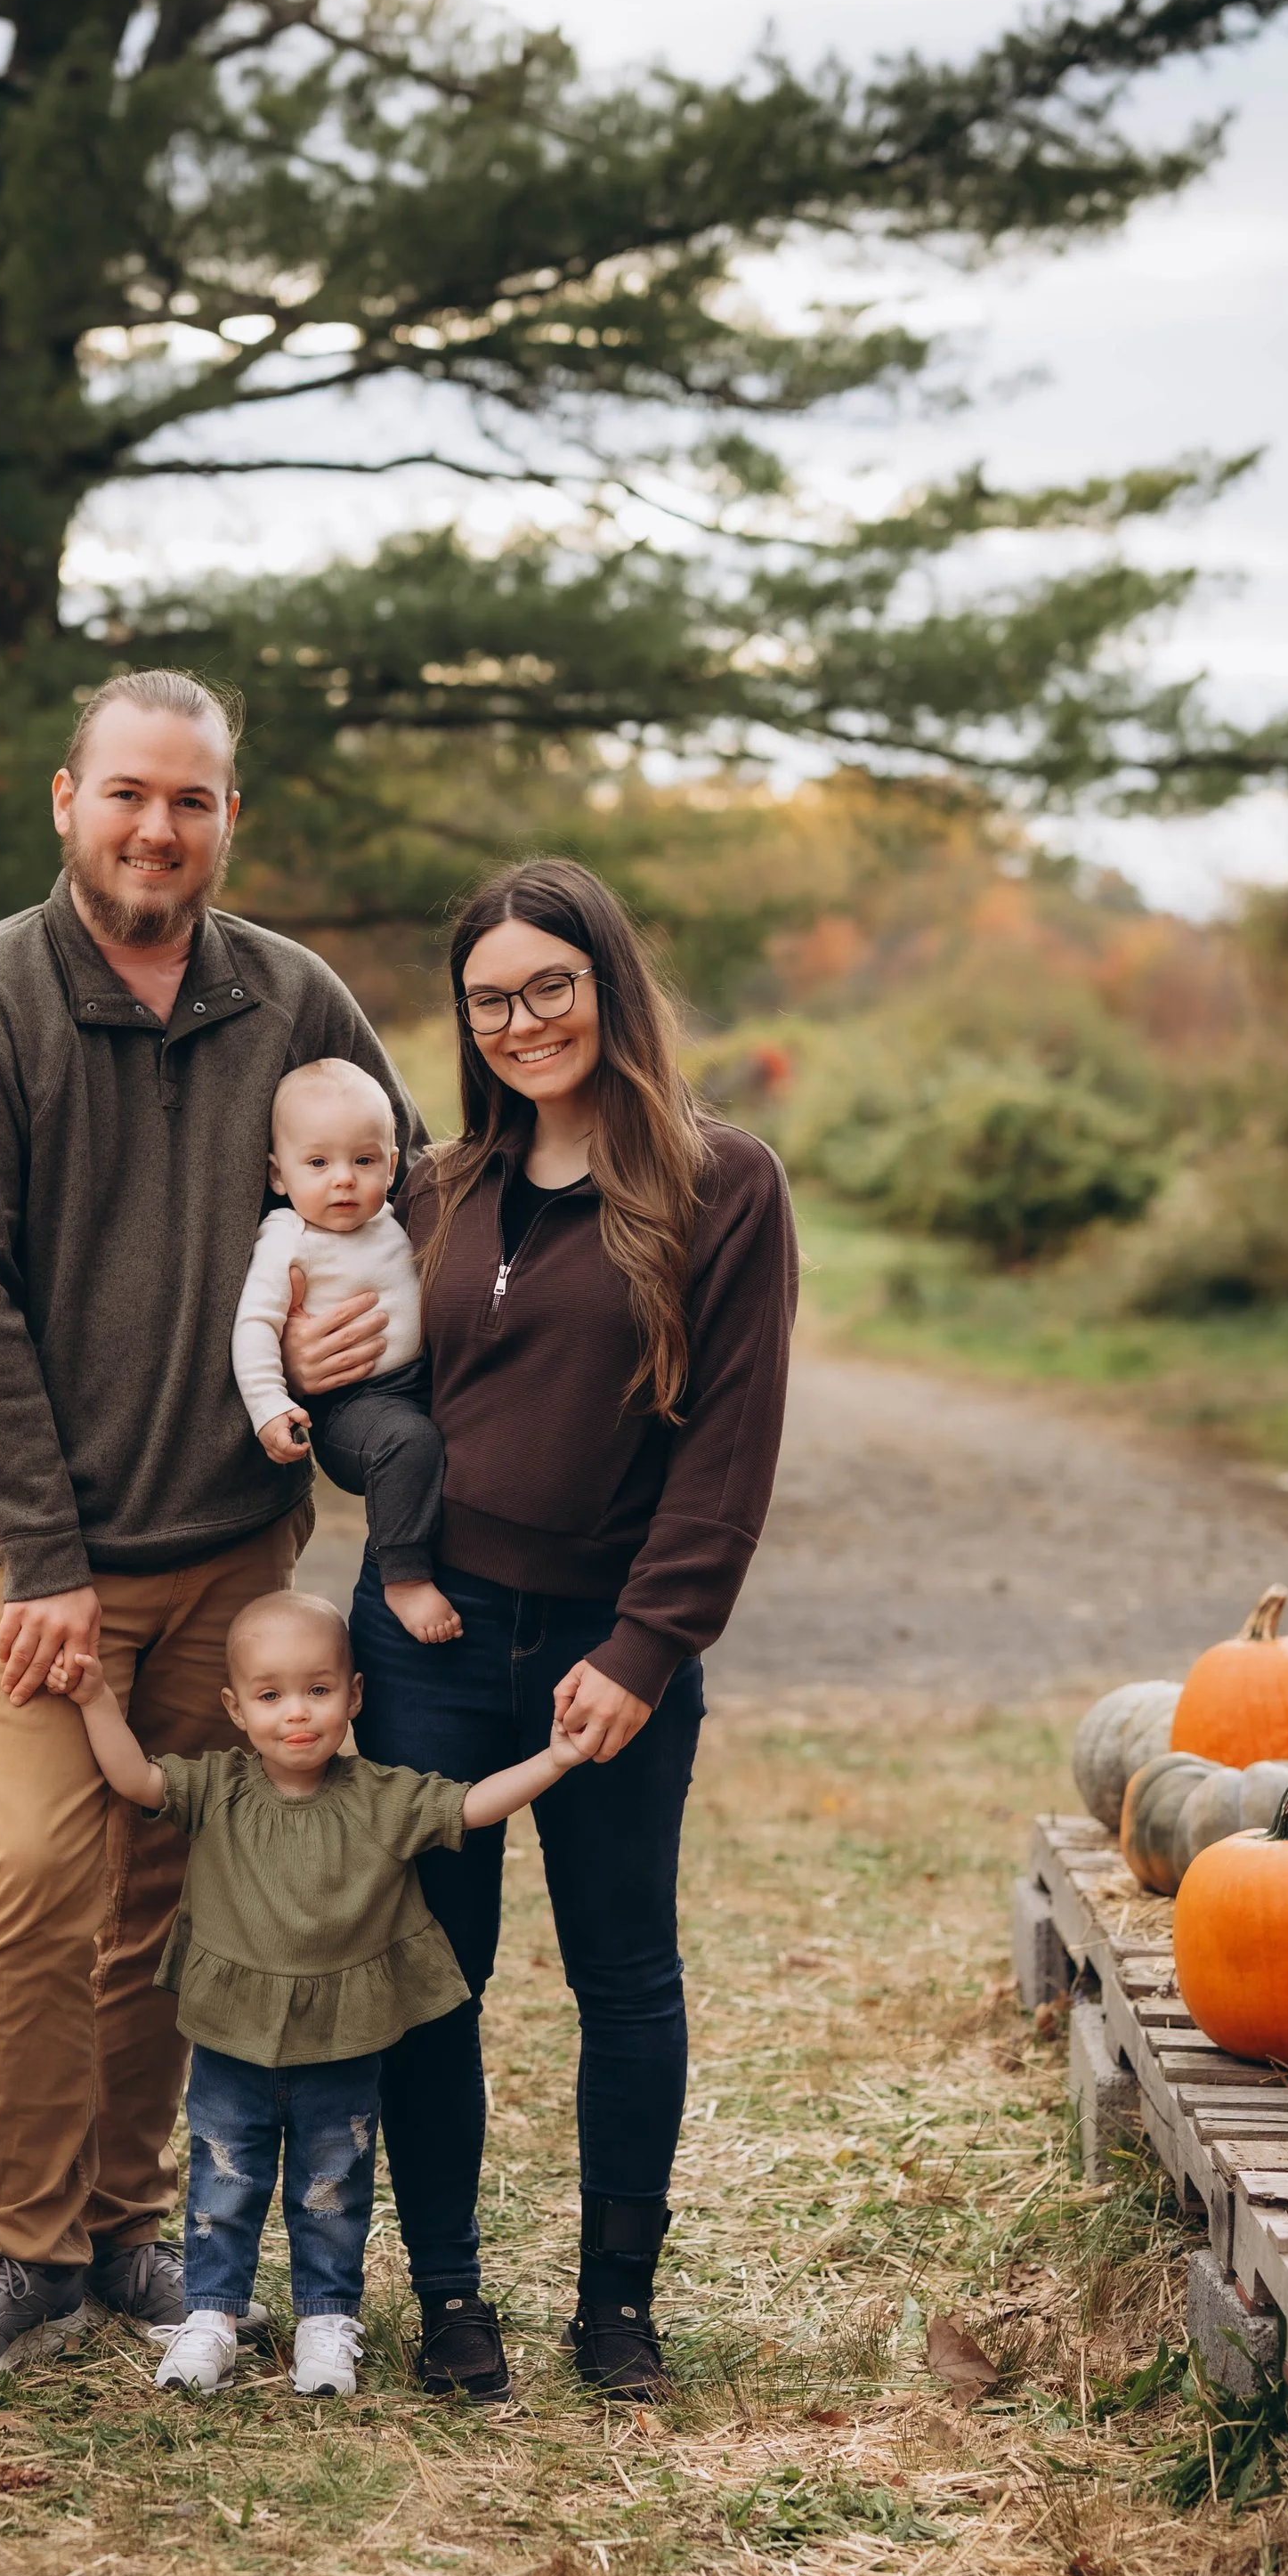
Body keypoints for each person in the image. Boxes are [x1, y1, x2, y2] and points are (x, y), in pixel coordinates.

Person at [0, 670, 420, 2385]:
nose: (156, 827)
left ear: (227, 820)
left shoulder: (298, 1002)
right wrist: (44, 1560)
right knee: (40, 1872)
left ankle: (126, 2224)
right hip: (39, 1552)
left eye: (190, 801)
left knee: (168, 1886)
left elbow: (397, 1190)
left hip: (232, 1546)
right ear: (67, 800)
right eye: (128, 793)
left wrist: (353, 1357)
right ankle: (23, 2246)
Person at [282, 858, 797, 2406]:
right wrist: (320, 1387)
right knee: (437, 1969)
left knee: (624, 1972)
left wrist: (649, 1648)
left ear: (608, 984)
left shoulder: (722, 1185)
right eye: (489, 999)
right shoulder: (428, 1192)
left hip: (607, 1644)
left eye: (548, 986)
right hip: (432, 1634)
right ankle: (449, 2299)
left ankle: (617, 2311)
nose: (521, 1021)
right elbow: (363, 1413)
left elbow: (729, 1450)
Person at [47, 1589, 588, 2398]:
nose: (296, 1714)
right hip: (234, 2037)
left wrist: (557, 1759)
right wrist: (94, 1697)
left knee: (332, 2187)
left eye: (318, 1690)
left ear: (355, 1695)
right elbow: (134, 1778)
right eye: (270, 1697)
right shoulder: (220, 1790)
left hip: (344, 2039)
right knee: (222, 2181)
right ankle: (210, 2315)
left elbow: (472, 1808)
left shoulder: (381, 1797)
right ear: (235, 1708)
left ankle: (327, 2321)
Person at [231, 1057, 458, 1646]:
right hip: (350, 1406)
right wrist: (270, 1406)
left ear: (390, 1165)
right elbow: (255, 1324)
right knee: (408, 1442)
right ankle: (403, 1575)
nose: (342, 1179)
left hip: (418, 1381)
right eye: (318, 1163)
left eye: (362, 1161)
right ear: (278, 1176)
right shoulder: (288, 1239)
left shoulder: (396, 1221)